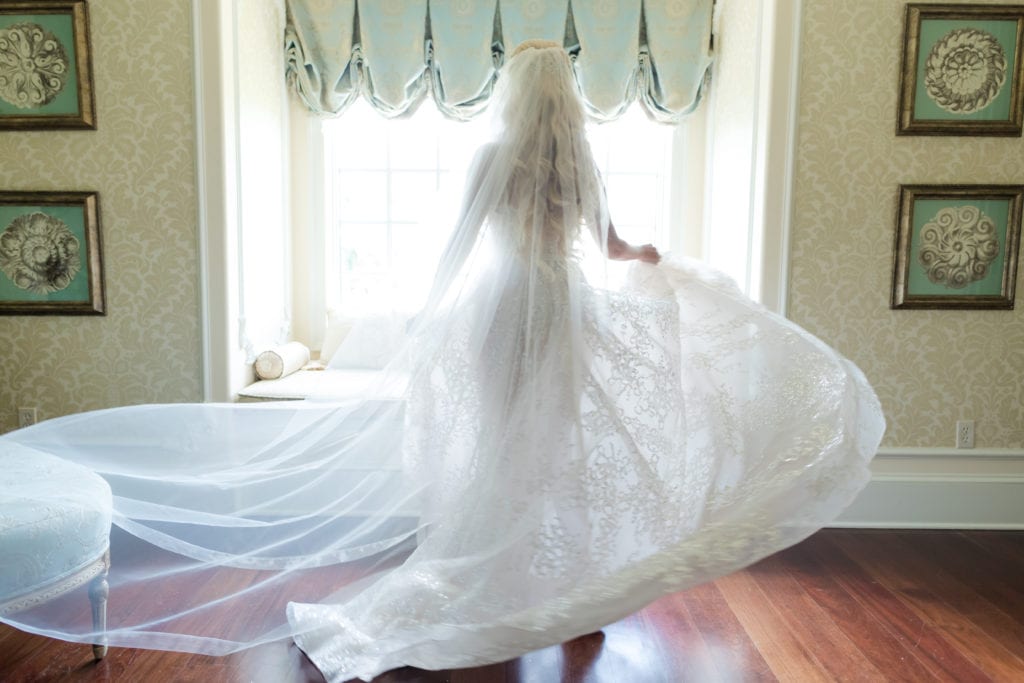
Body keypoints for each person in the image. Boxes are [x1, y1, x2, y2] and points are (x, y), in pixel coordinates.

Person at [0, 41, 884, 682]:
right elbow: (616, 249)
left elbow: (459, 252)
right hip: (565, 316)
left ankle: (505, 586)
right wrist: (662, 262)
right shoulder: (582, 160)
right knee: (560, 455)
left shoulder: (492, 160)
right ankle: (568, 600)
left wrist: (427, 325)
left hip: (503, 314)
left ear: (512, 97)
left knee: (502, 450)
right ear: (567, 97)